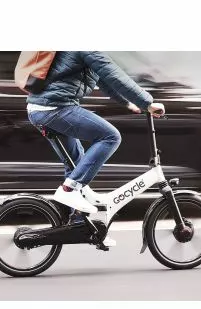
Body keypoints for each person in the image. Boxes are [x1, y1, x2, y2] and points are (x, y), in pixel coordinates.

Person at [26, 51, 165, 222]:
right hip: (54, 108)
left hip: (41, 108)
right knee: (111, 137)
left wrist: (128, 103)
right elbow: (114, 75)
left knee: (76, 164)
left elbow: (104, 79)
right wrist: (147, 103)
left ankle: (78, 223)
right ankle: (69, 189)